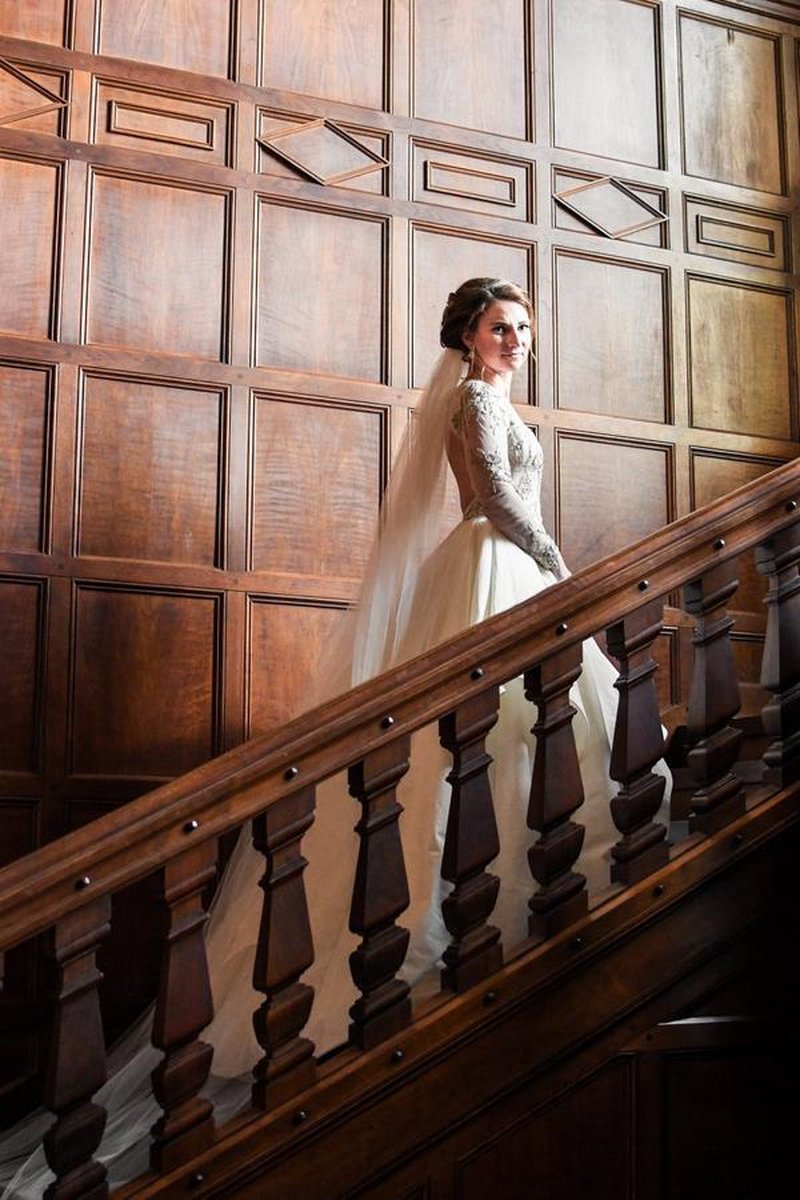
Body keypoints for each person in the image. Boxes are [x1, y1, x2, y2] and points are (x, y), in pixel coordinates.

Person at [0, 279, 671, 1194]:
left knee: (519, 733)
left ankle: (507, 895)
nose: (515, 341)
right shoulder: (473, 400)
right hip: (493, 563)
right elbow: (495, 502)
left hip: (506, 566)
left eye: (523, 330)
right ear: (467, 338)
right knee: (472, 737)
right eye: (499, 328)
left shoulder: (495, 395)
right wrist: (556, 561)